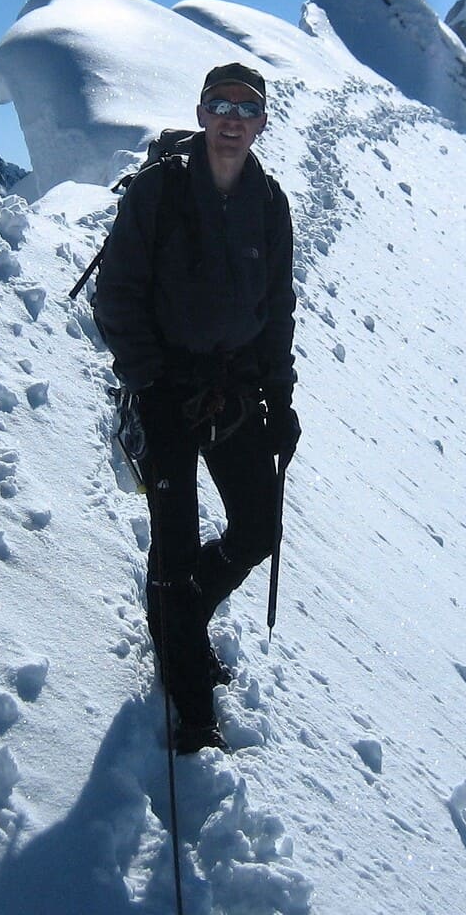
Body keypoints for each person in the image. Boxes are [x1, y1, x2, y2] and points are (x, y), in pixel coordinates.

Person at [92, 61, 301, 753]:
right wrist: (148, 383)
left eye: (247, 108)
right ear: (203, 113)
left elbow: (276, 312)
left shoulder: (269, 204)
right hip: (166, 391)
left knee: (256, 529)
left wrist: (281, 398)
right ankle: (191, 704)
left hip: (235, 389)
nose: (233, 119)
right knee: (175, 548)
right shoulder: (158, 192)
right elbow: (115, 294)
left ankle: (178, 618)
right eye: (221, 105)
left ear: (263, 122)